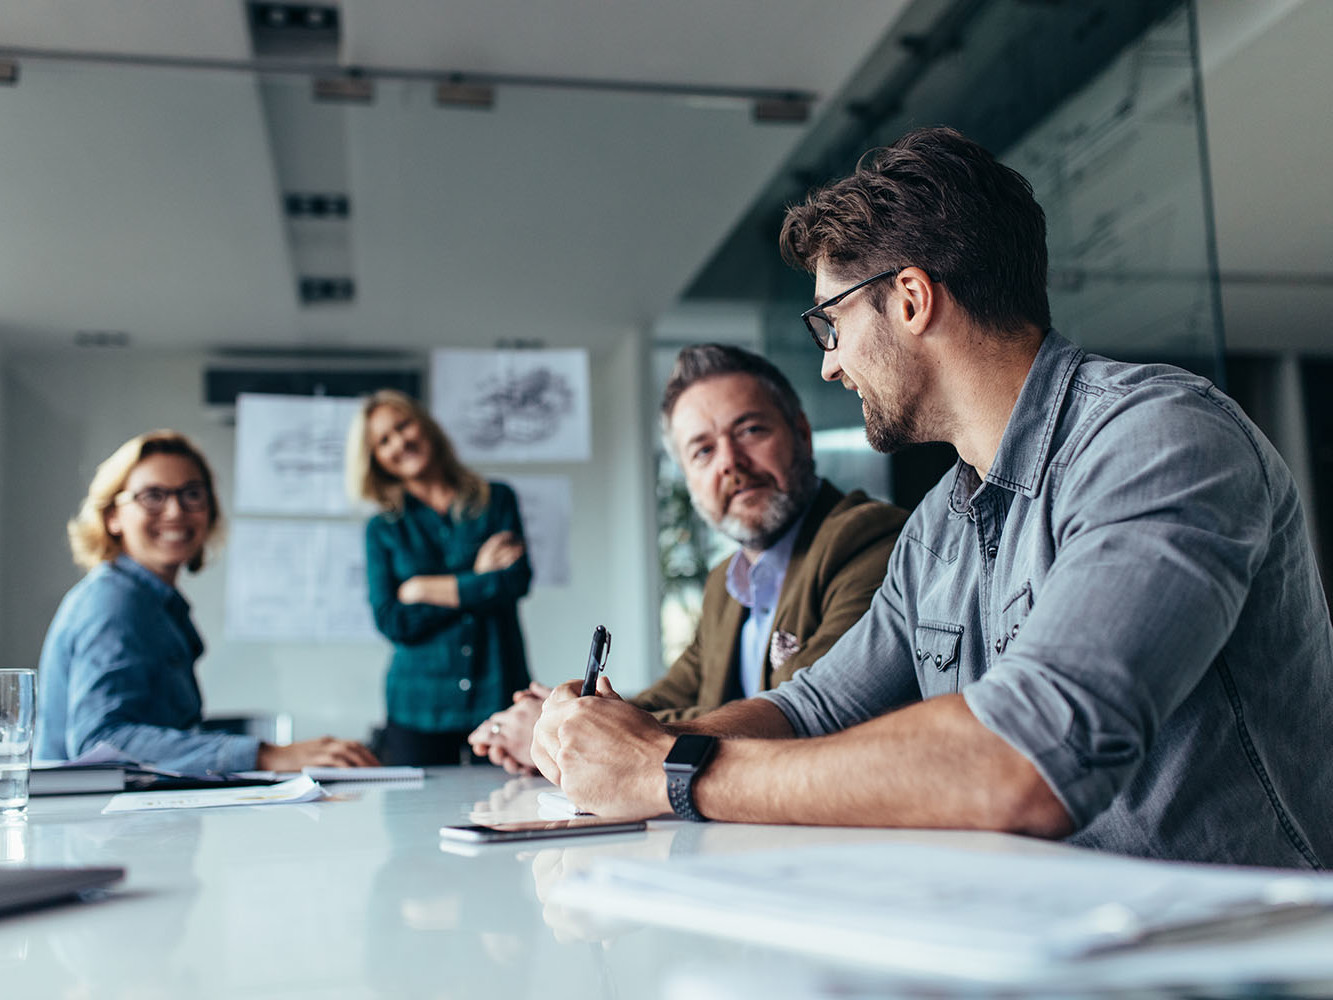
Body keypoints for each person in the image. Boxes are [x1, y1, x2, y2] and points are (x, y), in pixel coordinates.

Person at [530, 127, 1333, 869]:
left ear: (910, 299)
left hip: (1236, 957)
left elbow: (1021, 762)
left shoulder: (1158, 440)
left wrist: (671, 772)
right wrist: (625, 740)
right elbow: (813, 708)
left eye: (829, 325)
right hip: (1048, 941)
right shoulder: (939, 527)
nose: (829, 366)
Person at [469, 344, 906, 773]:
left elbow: (808, 711)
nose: (731, 463)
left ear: (802, 434)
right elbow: (667, 699)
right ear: (689, 478)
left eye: (751, 430)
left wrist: (580, 736)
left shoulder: (864, 539)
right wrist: (561, 720)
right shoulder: (725, 583)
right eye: (703, 451)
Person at [36, 430, 378, 773]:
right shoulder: (114, 601)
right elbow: (100, 742)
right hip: (90, 823)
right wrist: (267, 755)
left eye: (192, 494)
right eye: (152, 495)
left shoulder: (155, 603)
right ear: (112, 516)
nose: (175, 511)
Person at [347, 389, 533, 765]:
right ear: (375, 459)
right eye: (384, 440)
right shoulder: (382, 528)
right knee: (412, 821)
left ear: (425, 425)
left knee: (511, 812)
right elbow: (392, 620)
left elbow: (514, 582)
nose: (399, 442)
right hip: (417, 708)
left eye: (403, 426)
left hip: (498, 695)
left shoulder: (496, 500)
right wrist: (478, 577)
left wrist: (422, 589)